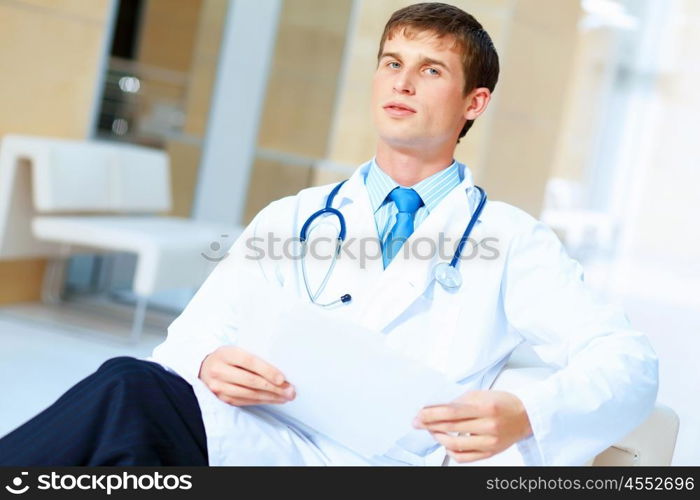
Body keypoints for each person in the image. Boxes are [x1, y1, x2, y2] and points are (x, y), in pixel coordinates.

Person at [0, 2, 658, 466]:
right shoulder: (294, 216)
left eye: (431, 69)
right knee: (131, 394)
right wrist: (207, 360)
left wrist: (526, 411)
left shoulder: (513, 241)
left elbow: (629, 365)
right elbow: (192, 333)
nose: (402, 81)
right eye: (392, 62)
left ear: (472, 104)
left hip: (389, 464)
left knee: (122, 430)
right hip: (261, 437)